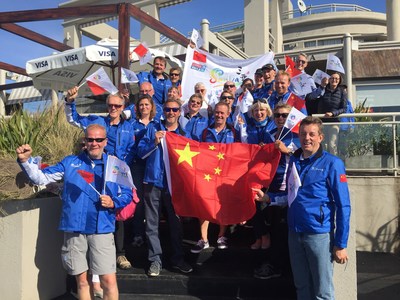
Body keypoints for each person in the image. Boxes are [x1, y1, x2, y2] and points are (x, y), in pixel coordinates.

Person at [16, 124, 132, 300]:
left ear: (105, 141)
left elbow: (127, 193)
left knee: (108, 281)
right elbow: (40, 177)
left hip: (102, 228)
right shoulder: (70, 162)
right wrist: (25, 161)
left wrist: (113, 201)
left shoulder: (116, 165)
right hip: (74, 229)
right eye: (90, 139)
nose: (94, 143)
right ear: (84, 141)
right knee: (83, 282)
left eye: (99, 140)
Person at [65, 88, 135, 271]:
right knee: (98, 207)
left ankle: (120, 253)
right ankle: (96, 262)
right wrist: (69, 102)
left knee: (119, 211)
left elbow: (133, 149)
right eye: (110, 105)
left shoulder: (128, 126)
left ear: (123, 107)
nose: (113, 108)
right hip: (97, 171)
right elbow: (74, 119)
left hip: (118, 174)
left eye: (117, 105)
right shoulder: (97, 121)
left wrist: (125, 171)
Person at [288, 116, 351, 299]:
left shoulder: (333, 163)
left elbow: (343, 205)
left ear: (320, 137)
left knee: (323, 292)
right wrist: (269, 197)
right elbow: (290, 194)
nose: (307, 138)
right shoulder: (294, 161)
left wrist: (341, 243)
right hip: (294, 233)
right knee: (302, 287)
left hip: (318, 235)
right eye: (303, 134)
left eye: (312, 134)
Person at [137, 99, 193, 277]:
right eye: (168, 109)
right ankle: (155, 260)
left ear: (179, 112)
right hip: (152, 183)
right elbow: (140, 153)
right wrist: (153, 142)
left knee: (176, 224)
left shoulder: (184, 133)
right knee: (151, 224)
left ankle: (178, 259)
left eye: (174, 109)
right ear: (164, 111)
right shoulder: (153, 129)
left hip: (174, 185)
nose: (171, 112)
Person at [253, 104, 300, 279]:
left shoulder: (296, 136)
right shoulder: (270, 134)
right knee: (267, 223)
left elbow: (303, 155)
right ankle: (270, 260)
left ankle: (279, 266)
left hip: (288, 191)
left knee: (281, 231)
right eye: (278, 115)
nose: (281, 118)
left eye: (285, 115)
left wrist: (286, 151)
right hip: (270, 188)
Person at [191, 101, 239, 253]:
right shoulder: (205, 132)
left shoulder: (234, 132)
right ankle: (203, 239)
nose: (219, 115)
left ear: (228, 114)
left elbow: (240, 152)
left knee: (223, 203)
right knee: (204, 203)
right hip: (207, 174)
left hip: (226, 173)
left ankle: (221, 235)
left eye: (222, 113)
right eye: (217, 112)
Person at [242, 99, 274, 250]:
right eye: (256, 111)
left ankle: (266, 235)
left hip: (269, 172)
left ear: (267, 111)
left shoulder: (273, 126)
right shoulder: (248, 128)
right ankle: (259, 236)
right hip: (252, 171)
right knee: (253, 203)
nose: (259, 113)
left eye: (262, 110)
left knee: (262, 205)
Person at [129, 94, 159, 248]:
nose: (144, 107)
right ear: (137, 108)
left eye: (147, 104)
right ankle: (138, 234)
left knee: (151, 202)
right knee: (139, 201)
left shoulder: (158, 124)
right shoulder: (132, 124)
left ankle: (152, 234)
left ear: (152, 106)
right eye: (141, 105)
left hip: (154, 167)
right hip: (137, 166)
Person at [306, 72, 347, 155]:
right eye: (332, 78)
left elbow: (344, 108)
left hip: (334, 122)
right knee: (322, 145)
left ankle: (333, 164)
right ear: (329, 79)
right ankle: (323, 164)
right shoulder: (323, 89)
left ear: (339, 80)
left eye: (336, 79)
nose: (334, 80)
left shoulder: (342, 91)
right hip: (321, 122)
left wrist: (333, 113)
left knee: (332, 145)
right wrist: (321, 86)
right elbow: (311, 97)